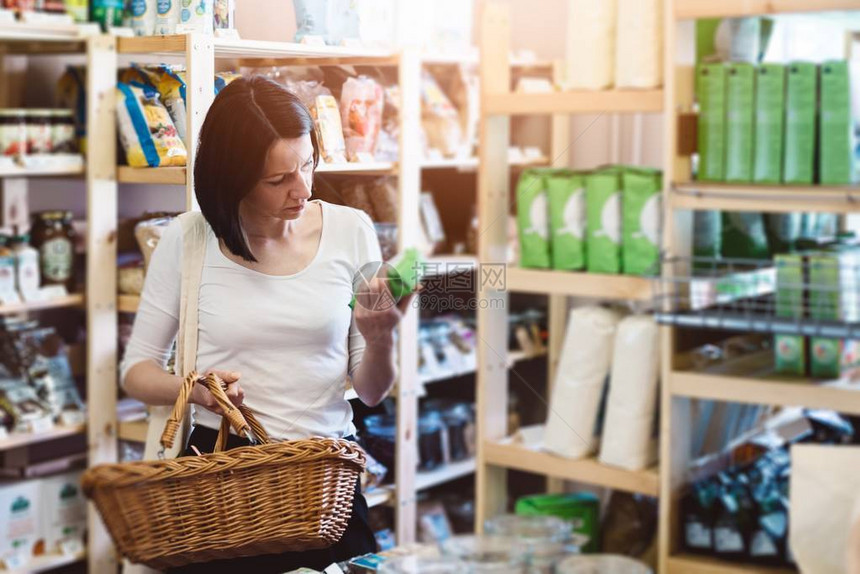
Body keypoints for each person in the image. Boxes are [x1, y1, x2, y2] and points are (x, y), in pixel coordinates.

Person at [121, 76, 413, 572]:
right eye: (278, 180)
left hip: (326, 480)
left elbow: (371, 392)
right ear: (231, 179)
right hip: (223, 482)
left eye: (307, 165)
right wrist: (196, 391)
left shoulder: (351, 231)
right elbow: (136, 372)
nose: (301, 189)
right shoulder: (188, 241)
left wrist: (381, 338)